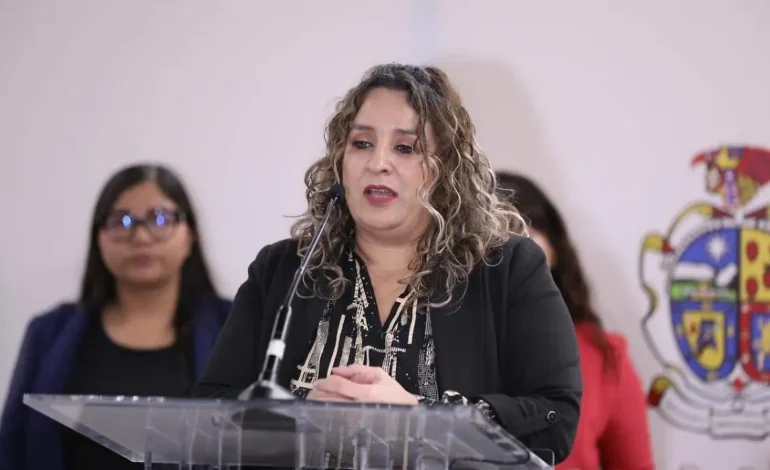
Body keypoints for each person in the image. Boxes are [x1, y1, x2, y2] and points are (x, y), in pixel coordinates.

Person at [194, 63, 583, 465]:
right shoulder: (284, 271)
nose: (377, 162)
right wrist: (300, 417)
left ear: (447, 168)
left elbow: (555, 417)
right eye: (361, 143)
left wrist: (421, 417)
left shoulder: (505, 269)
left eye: (405, 148)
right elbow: (210, 410)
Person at [0, 164, 233, 470]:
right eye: (121, 221)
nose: (140, 236)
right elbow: (11, 449)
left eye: (160, 218)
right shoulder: (49, 333)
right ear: (98, 237)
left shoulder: (235, 327)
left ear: (190, 234)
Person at [496, 171, 655, 470]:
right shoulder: (429, 345)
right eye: (491, 238)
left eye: (524, 235)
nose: (508, 253)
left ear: (554, 249)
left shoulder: (604, 357)